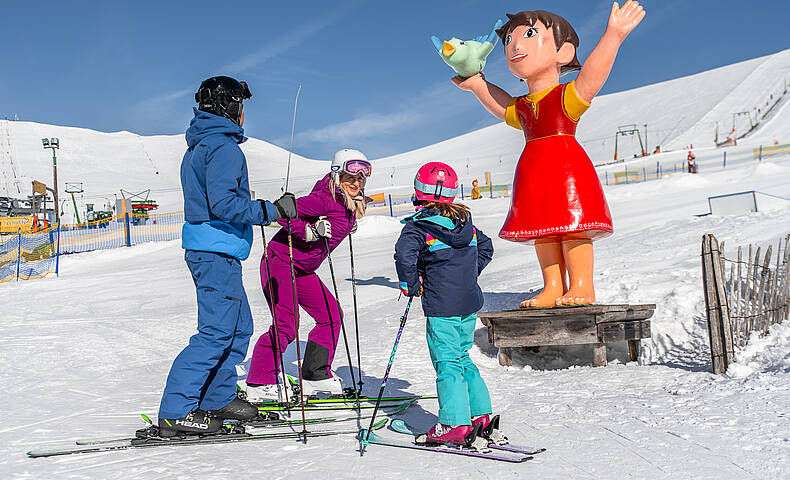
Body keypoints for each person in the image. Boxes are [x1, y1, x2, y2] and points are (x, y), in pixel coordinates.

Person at [451, 3, 645, 307]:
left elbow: (593, 75)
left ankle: (581, 285)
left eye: (529, 34)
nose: (515, 45)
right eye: (509, 40)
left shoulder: (566, 96)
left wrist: (613, 35)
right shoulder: (524, 107)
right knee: (543, 230)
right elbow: (503, 108)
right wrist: (478, 85)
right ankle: (553, 286)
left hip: (567, 168)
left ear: (564, 52)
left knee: (573, 227)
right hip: (533, 170)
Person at [157, 76, 298, 437]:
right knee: (217, 331)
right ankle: (177, 410)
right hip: (214, 250)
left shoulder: (204, 145)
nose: (243, 113)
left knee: (238, 329)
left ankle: (216, 398)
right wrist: (273, 210)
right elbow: (225, 205)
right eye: (241, 105)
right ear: (228, 106)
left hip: (216, 250)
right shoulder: (222, 147)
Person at [245, 149, 372, 402]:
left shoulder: (347, 203)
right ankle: (259, 382)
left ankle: (315, 374)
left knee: (331, 315)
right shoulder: (323, 199)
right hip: (279, 262)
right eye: (350, 177)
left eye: (360, 179)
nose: (356, 183)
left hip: (302, 270)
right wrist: (309, 230)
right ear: (337, 176)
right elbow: (282, 212)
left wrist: (347, 223)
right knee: (286, 326)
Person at [394, 162, 501, 449]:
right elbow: (486, 247)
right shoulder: (465, 224)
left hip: (443, 307)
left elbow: (405, 258)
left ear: (419, 191)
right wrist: (466, 275)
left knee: (447, 362)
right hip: (468, 303)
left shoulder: (417, 228)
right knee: (463, 356)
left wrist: (412, 285)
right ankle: (480, 415)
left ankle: (454, 423)